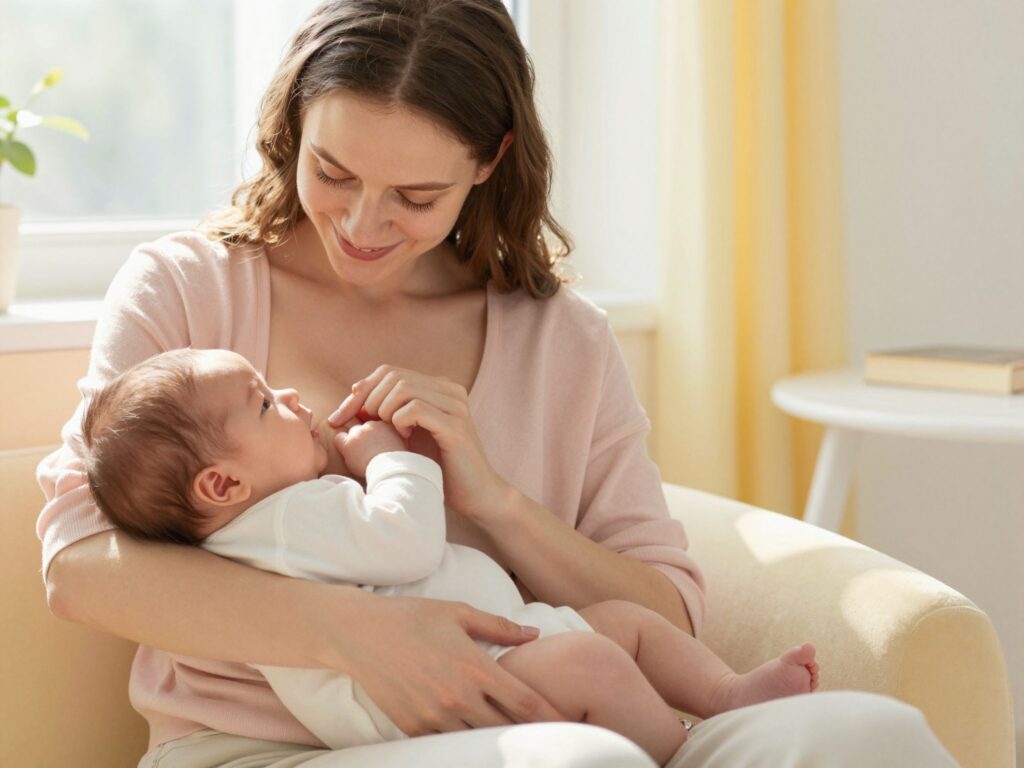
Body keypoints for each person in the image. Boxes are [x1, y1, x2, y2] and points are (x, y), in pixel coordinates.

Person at [36, 1, 958, 766]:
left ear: (488, 162)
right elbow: (81, 569)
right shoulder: (190, 292)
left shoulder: (560, 339)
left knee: (874, 735)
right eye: (334, 171)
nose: (361, 223)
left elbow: (666, 612)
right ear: (292, 129)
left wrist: (501, 501)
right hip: (264, 746)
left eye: (415, 197)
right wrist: (358, 638)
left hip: (572, 706)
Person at [80, 347, 821, 766]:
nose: (294, 395)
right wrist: (386, 458)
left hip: (494, 643)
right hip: (416, 700)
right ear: (221, 483)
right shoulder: (283, 520)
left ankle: (724, 700)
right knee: (598, 660)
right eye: (266, 404)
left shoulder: (281, 517)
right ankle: (683, 752)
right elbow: (404, 543)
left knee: (622, 622)